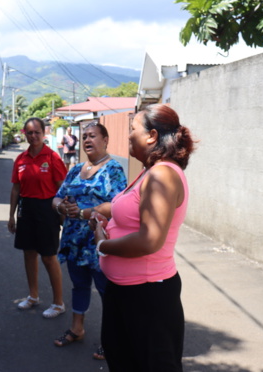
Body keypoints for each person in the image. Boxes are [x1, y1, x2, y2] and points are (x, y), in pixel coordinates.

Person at [92, 104, 196, 372]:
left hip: (148, 296)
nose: (127, 136)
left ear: (151, 136)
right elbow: (134, 217)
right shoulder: (150, 171)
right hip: (128, 293)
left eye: (132, 129)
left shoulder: (162, 174)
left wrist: (103, 245)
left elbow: (150, 240)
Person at [51, 121, 127, 359]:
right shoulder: (75, 169)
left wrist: (86, 212)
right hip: (74, 242)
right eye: (84, 136)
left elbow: (119, 207)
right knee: (79, 286)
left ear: (105, 140)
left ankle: (111, 339)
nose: (87, 140)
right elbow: (56, 198)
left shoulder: (113, 170)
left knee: (106, 291)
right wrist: (62, 207)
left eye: (93, 136)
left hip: (99, 243)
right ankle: (77, 328)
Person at [8, 117, 67, 319]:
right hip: (27, 209)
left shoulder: (52, 158)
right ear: (25, 133)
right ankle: (33, 296)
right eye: (29, 132)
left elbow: (63, 188)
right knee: (28, 254)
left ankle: (58, 303)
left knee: (49, 257)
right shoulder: (21, 159)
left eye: (37, 132)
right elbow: (16, 189)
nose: (33, 136)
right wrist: (11, 216)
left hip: (47, 209)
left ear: (44, 134)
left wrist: (63, 215)